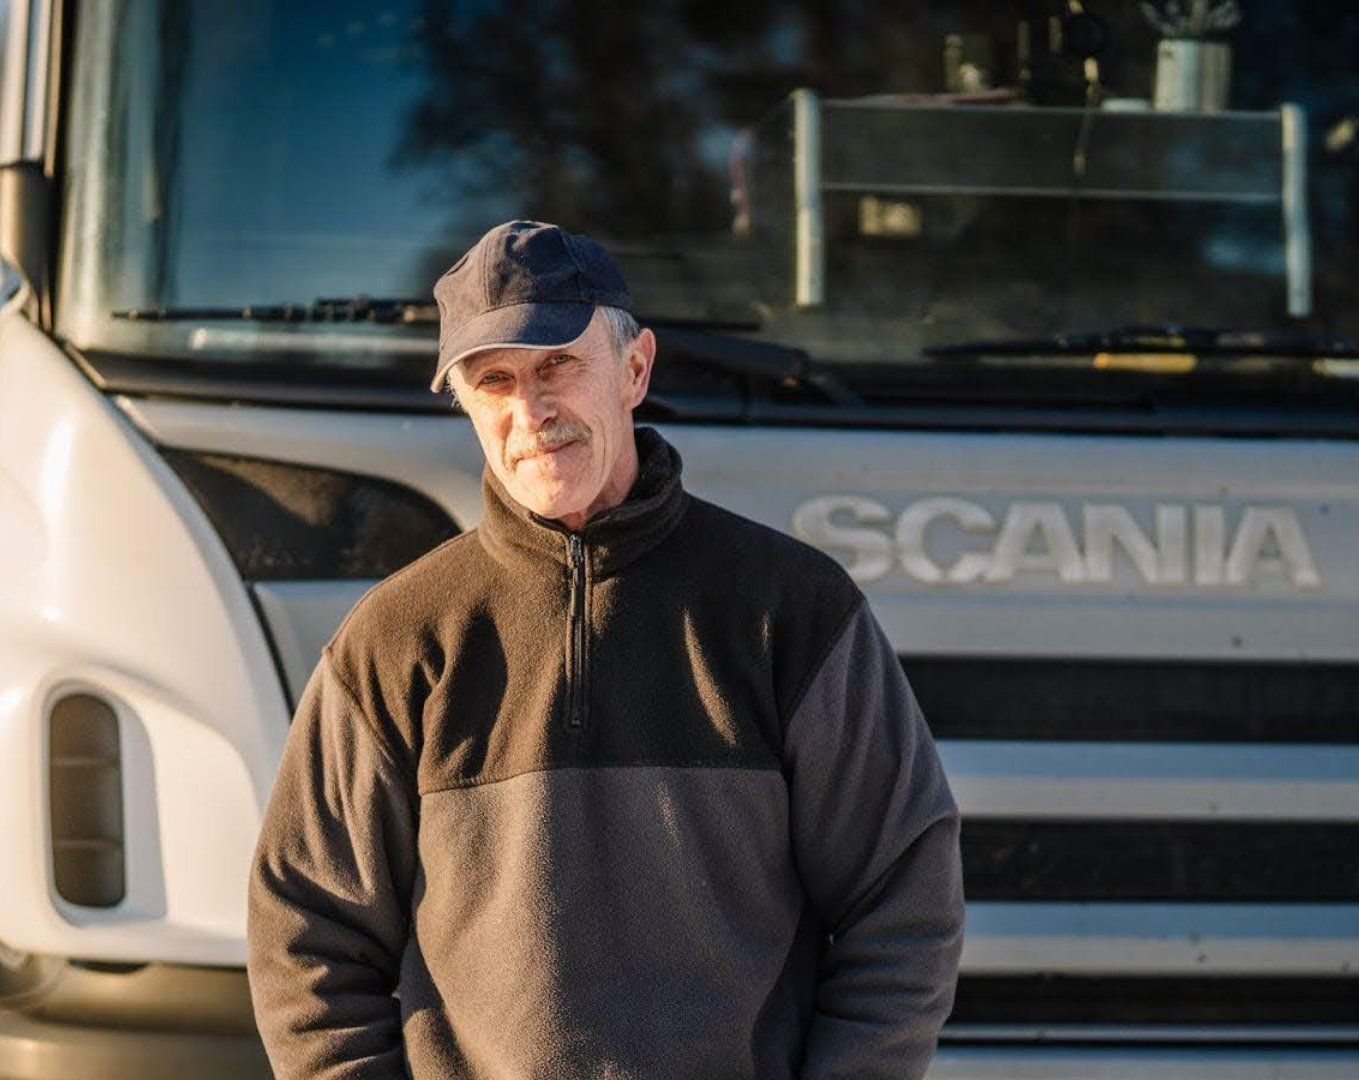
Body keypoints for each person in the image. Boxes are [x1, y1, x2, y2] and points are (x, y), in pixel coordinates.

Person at [247, 220, 965, 1079]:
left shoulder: (793, 609)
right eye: (495, 381)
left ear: (634, 369)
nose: (531, 411)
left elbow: (904, 899)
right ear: (466, 405)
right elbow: (307, 931)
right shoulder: (397, 638)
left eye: (558, 366)